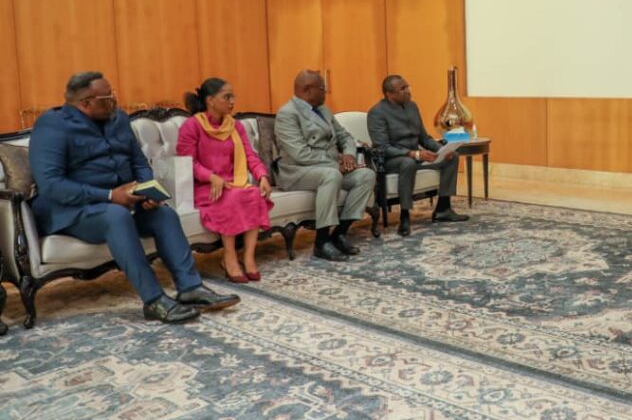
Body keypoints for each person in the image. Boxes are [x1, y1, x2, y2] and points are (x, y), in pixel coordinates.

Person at [28, 71, 239, 323]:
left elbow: (138, 162)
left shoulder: (118, 119)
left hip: (122, 201)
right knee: (115, 216)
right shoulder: (52, 126)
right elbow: (51, 185)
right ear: (86, 103)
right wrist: (109, 196)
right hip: (73, 211)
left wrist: (147, 189)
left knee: (163, 214)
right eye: (108, 97)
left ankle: (190, 288)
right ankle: (153, 300)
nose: (115, 100)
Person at [176, 78, 274, 283]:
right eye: (227, 97)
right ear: (210, 100)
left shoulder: (235, 126)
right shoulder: (192, 126)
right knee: (230, 198)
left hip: (232, 184)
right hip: (204, 186)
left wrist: (262, 176)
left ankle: (248, 257)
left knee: (254, 194)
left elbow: (249, 155)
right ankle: (229, 257)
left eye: (233, 97)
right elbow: (187, 163)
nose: (232, 101)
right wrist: (211, 176)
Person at [274, 70, 375, 261]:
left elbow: (345, 136)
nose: (325, 92)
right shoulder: (287, 114)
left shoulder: (324, 110)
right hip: (297, 171)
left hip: (328, 166)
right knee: (331, 175)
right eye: (322, 88)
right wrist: (336, 164)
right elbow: (300, 154)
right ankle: (321, 243)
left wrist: (348, 155)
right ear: (307, 90)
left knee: (366, 175)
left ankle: (339, 233)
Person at [367, 74, 468, 236]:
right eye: (402, 89)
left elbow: (424, 138)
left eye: (408, 87)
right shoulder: (377, 112)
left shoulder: (412, 107)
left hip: (416, 156)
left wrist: (442, 150)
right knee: (408, 163)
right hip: (391, 161)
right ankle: (405, 216)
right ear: (389, 94)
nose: (408, 91)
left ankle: (443, 209)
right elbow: (382, 147)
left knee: (452, 157)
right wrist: (413, 154)